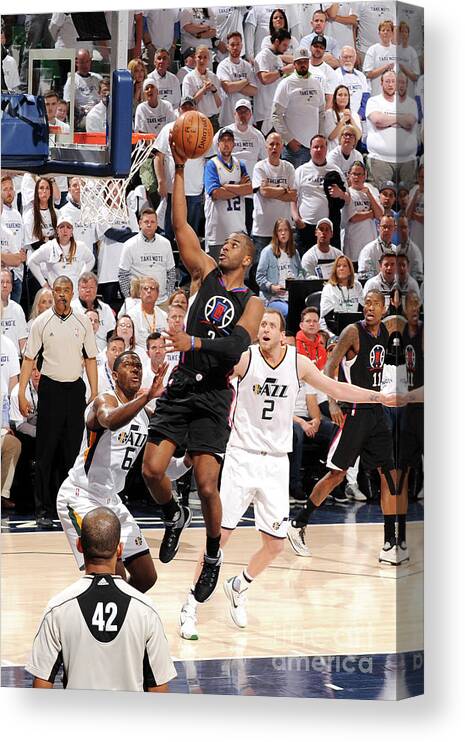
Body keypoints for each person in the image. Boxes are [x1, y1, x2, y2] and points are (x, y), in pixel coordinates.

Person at [178, 308, 398, 637]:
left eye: (271, 325)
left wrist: (377, 396)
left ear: (283, 335)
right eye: (261, 324)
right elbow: (211, 371)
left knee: (275, 546)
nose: (264, 329)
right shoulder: (245, 358)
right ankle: (191, 605)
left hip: (277, 461)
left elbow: (336, 389)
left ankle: (239, 585)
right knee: (218, 539)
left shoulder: (298, 363)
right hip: (242, 456)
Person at [141, 133, 264, 605]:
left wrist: (194, 340)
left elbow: (238, 344)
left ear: (247, 257)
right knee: (153, 470)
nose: (226, 247)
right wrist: (177, 169)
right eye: (227, 243)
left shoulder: (252, 302)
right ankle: (175, 513)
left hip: (214, 393)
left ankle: (213, 553)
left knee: (209, 482)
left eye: (234, 243)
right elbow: (179, 225)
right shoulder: (205, 272)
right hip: (182, 385)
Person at [287, 289, 403, 564]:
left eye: (376, 304)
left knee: (388, 474)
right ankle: (297, 524)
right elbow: (330, 366)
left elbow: (402, 320)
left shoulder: (386, 330)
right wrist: (334, 403)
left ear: (384, 309)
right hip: (354, 411)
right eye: (367, 303)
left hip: (376, 412)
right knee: (336, 475)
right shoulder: (353, 331)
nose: (370, 308)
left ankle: (390, 543)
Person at [27, 506, 176, 691]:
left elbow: (41, 685)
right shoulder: (146, 610)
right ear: (120, 549)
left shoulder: (57, 608)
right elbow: (159, 690)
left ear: (80, 545)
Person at [57, 350, 167, 591]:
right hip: (81, 497)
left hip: (112, 500)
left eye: (138, 365)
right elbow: (110, 420)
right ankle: (105, 615)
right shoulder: (104, 401)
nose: (136, 368)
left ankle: (120, 612)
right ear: (115, 375)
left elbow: (162, 467)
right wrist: (146, 397)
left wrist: (189, 457)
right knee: (110, 578)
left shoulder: (144, 416)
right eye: (129, 365)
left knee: (147, 577)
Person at [18, 275, 98, 529]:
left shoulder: (83, 320)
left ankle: (71, 506)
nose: (62, 294)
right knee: (46, 452)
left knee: (73, 453)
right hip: (50, 390)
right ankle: (42, 508)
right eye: (58, 290)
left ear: (72, 293)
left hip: (75, 390)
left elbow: (91, 358)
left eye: (66, 290)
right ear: (52, 292)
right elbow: (29, 359)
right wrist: (21, 392)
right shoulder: (41, 322)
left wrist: (94, 391)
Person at [212, 99, 267, 236]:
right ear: (234, 114)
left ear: (250, 114)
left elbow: (264, 160)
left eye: (245, 111)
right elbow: (213, 156)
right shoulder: (224, 133)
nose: (242, 115)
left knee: (247, 228)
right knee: (228, 230)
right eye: (239, 111)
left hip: (249, 191)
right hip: (228, 188)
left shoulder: (257, 135)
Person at [292, 134, 349, 255]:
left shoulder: (335, 170)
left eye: (321, 147)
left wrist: (341, 193)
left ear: (326, 149)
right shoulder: (301, 171)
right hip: (305, 226)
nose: (318, 150)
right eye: (315, 147)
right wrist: (296, 218)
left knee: (331, 263)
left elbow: (348, 199)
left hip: (329, 228)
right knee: (305, 264)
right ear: (310, 149)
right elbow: (293, 197)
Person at [271, 47, 326, 169]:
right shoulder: (286, 84)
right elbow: (276, 115)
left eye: (305, 62)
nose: (303, 65)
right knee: (291, 186)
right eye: (299, 62)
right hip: (293, 149)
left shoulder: (317, 84)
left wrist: (321, 137)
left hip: (313, 148)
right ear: (294, 64)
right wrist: (289, 140)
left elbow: (322, 113)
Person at [204, 128, 252, 263]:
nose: (226, 144)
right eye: (223, 140)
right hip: (217, 231)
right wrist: (239, 188)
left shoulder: (240, 164)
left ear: (234, 144)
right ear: (218, 144)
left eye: (229, 140)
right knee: (217, 277)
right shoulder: (211, 164)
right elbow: (216, 193)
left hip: (238, 229)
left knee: (238, 277)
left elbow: (249, 189)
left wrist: (226, 187)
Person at [365, 71, 418, 189]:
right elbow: (378, 121)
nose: (390, 84)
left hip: (407, 160)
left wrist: (388, 120)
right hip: (380, 159)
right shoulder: (373, 101)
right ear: (381, 82)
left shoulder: (410, 102)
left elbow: (409, 122)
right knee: (382, 199)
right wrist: (400, 119)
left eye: (393, 81)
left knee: (408, 200)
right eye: (387, 81)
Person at [251, 132, 297, 263]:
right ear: (266, 147)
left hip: (283, 231)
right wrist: (283, 189)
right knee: (260, 271)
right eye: (271, 144)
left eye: (277, 144)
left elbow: (293, 195)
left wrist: (272, 190)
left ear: (282, 147)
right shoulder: (260, 167)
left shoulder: (288, 167)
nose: (274, 147)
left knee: (283, 268)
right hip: (262, 230)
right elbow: (264, 192)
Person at [118, 207, 175, 307]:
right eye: (146, 222)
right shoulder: (129, 245)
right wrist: (129, 298)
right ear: (140, 224)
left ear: (157, 224)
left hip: (162, 301)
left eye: (152, 222)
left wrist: (169, 295)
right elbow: (123, 275)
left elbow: (171, 272)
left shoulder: (165, 243)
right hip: (138, 302)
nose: (149, 224)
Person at [27, 214, 95, 293]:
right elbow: (31, 261)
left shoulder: (80, 246)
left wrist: (81, 277)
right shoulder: (48, 247)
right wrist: (44, 284)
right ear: (57, 230)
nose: (65, 230)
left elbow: (91, 259)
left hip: (74, 294)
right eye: (62, 227)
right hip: (55, 294)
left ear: (72, 231)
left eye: (68, 227)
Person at [256, 218, 304, 316]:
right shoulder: (267, 252)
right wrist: (272, 287)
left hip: (292, 296)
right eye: (280, 230)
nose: (283, 233)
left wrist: (298, 282)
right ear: (276, 233)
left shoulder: (294, 252)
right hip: (273, 298)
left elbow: (301, 272)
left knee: (306, 312)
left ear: (290, 233)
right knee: (289, 312)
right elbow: (259, 278)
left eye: (286, 230)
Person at [253, 28, 294, 135]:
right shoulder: (263, 56)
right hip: (264, 113)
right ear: (276, 41)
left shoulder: (278, 58)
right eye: (284, 45)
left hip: (276, 111)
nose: (286, 49)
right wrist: (283, 70)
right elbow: (264, 78)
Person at [342, 160, 383, 263]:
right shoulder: (347, 193)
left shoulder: (371, 191)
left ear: (365, 176)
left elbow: (380, 215)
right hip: (353, 245)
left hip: (370, 242)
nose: (356, 177)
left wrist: (369, 195)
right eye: (354, 174)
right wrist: (370, 213)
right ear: (349, 175)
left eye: (359, 174)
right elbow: (353, 217)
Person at [216, 31, 257, 129]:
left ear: (242, 45)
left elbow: (254, 91)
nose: (235, 48)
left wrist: (234, 84)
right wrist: (245, 81)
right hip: (228, 116)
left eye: (238, 44)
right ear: (227, 46)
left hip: (246, 119)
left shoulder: (247, 66)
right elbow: (228, 88)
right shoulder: (223, 66)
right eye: (232, 45)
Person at [71, 272, 116, 351]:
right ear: (78, 289)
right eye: (84, 287)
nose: (88, 290)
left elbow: (111, 336)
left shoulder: (106, 309)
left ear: (97, 288)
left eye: (91, 287)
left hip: (103, 353)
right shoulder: (71, 309)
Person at [320, 255, 364, 333]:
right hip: (332, 329)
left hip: (355, 328)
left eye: (345, 266)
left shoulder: (357, 286)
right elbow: (327, 316)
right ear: (335, 270)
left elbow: (362, 309)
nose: (341, 268)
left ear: (350, 270)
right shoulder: (328, 288)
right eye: (338, 266)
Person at [181, 46, 222, 132]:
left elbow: (219, 104)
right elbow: (188, 106)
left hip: (213, 120)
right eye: (199, 57)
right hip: (197, 120)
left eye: (205, 57)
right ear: (195, 58)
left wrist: (214, 90)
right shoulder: (189, 78)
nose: (202, 60)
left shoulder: (213, 77)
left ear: (209, 59)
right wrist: (203, 90)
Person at [63, 48, 102, 131]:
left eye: (87, 62)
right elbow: (68, 104)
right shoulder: (72, 81)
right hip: (83, 116)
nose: (85, 65)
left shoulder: (97, 78)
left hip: (99, 112)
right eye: (82, 62)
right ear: (76, 62)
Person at [125, 276, 168, 352]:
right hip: (140, 354)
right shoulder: (131, 316)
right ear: (140, 293)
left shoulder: (164, 316)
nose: (149, 291)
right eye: (145, 288)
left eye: (152, 288)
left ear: (157, 294)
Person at [1, 175, 26, 303]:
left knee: (14, 309)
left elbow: (22, 242)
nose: (9, 192)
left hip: (17, 273)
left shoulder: (17, 214)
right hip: (4, 274)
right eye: (5, 189)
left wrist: (20, 257)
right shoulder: (1, 215)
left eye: (11, 188)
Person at [362, 19, 397, 96]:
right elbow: (367, 73)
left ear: (392, 33)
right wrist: (385, 68)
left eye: (388, 30)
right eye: (383, 30)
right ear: (379, 33)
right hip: (377, 92)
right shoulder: (372, 50)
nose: (385, 32)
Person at [333, 45, 370, 117]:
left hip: (359, 117)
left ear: (355, 58)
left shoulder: (361, 76)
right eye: (345, 57)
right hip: (341, 117)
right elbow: (333, 100)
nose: (348, 60)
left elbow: (365, 97)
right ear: (340, 58)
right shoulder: (334, 75)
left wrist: (359, 116)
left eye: (351, 57)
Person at [358, 214, 397, 278]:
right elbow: (364, 276)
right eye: (384, 227)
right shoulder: (368, 250)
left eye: (390, 227)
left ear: (394, 229)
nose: (386, 230)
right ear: (378, 227)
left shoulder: (396, 250)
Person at [325, 86, 362, 152]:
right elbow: (331, 137)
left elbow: (358, 136)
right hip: (332, 152)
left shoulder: (354, 114)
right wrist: (343, 120)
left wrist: (351, 119)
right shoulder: (329, 113)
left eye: (345, 95)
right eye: (340, 95)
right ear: (335, 98)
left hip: (349, 153)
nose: (343, 97)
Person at [0, 268, 27, 355]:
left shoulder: (17, 309)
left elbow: (22, 339)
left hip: (14, 359)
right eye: (1, 282)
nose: (5, 285)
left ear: (11, 287)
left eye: (8, 282)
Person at [295, 306, 327, 371]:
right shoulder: (294, 345)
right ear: (301, 325)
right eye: (308, 321)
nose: (312, 324)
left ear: (319, 325)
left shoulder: (322, 350)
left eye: (315, 321)